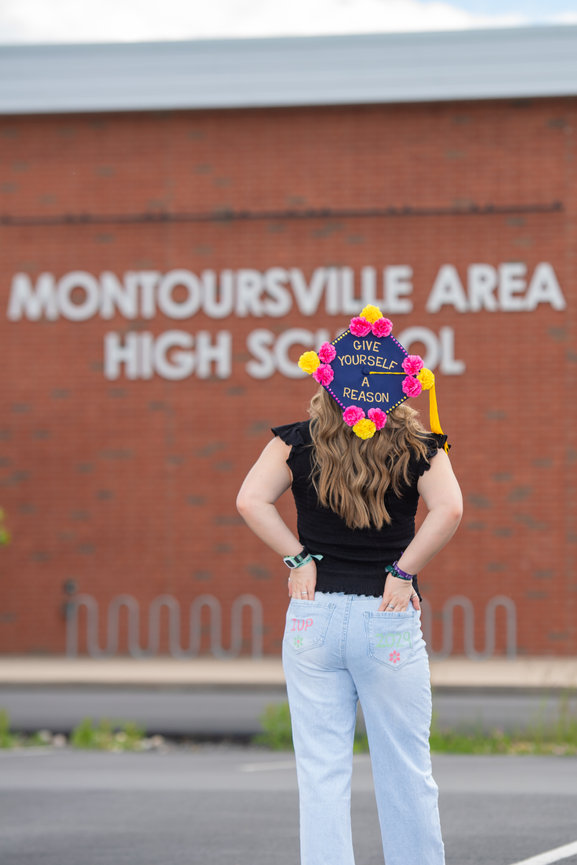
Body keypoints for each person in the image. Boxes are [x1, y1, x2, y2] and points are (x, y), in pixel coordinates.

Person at [236, 305, 463, 865]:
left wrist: (298, 559)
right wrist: (403, 572)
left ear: (326, 380)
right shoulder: (420, 446)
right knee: (405, 768)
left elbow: (249, 500)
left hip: (312, 614)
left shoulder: (296, 442)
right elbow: (450, 509)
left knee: (321, 772)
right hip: (387, 615)